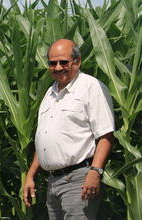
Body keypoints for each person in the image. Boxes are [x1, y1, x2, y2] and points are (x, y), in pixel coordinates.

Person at [23, 39, 115, 219]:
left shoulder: (90, 87)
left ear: (77, 61)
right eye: (52, 63)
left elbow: (106, 135)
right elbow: (45, 140)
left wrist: (95, 172)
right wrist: (30, 175)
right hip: (53, 182)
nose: (58, 68)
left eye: (63, 62)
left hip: (78, 180)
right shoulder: (50, 93)